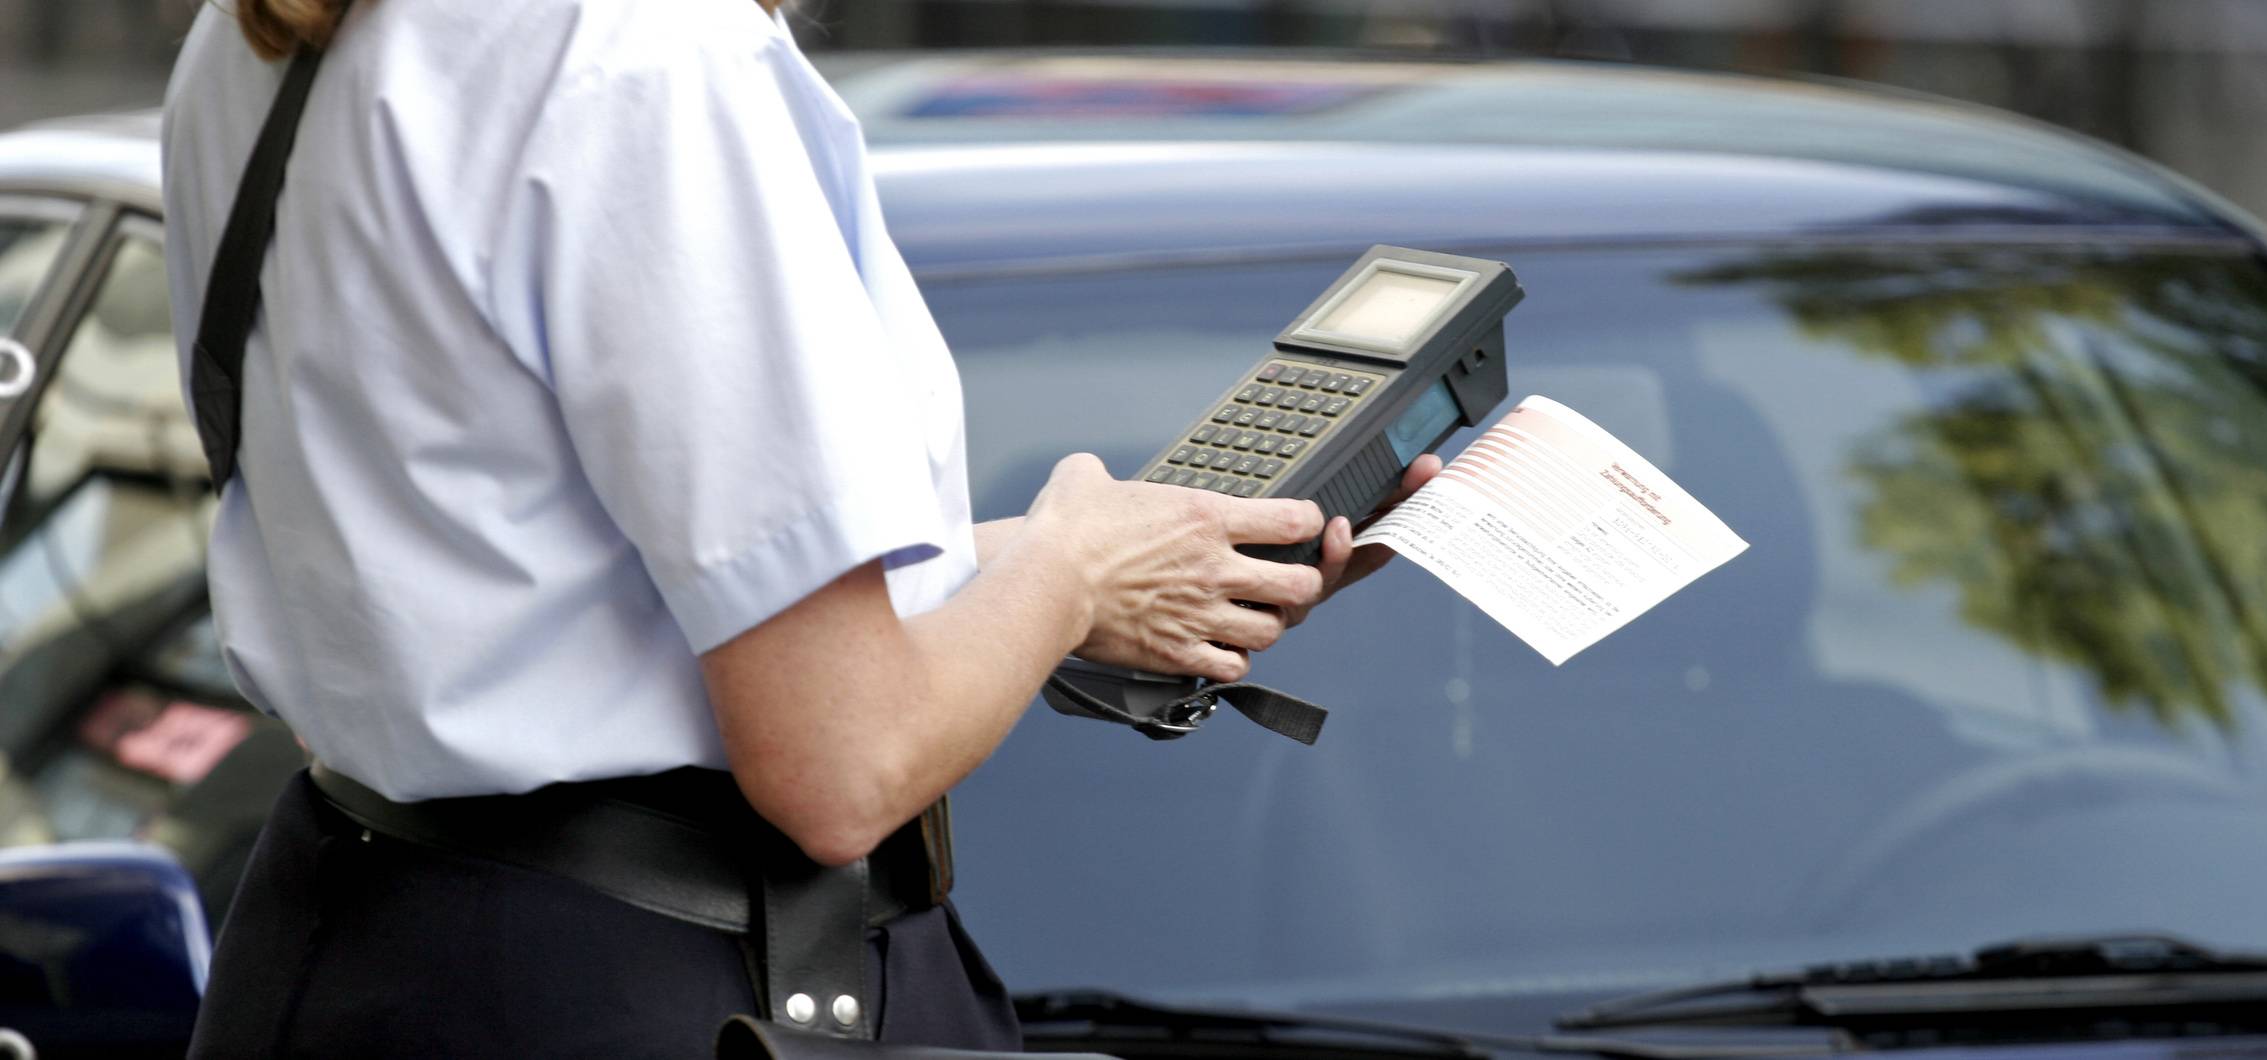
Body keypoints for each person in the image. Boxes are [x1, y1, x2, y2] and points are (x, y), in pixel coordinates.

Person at [161, 0, 1441, 1055]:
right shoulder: (641, 50)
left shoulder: (266, 41)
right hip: (658, 988)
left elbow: (526, 586)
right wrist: (1063, 569)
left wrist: (1111, 568)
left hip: (358, 949)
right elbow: (841, 764)